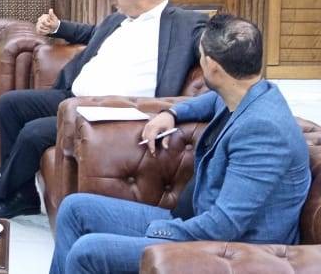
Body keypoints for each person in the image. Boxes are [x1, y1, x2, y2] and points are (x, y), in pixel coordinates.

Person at [50, 15, 310, 274]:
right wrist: (172, 114)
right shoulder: (246, 91)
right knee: (74, 209)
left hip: (234, 251)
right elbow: (211, 101)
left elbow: (224, 226)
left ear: (213, 67)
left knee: (87, 252)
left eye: (201, 56)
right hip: (199, 223)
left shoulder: (263, 132)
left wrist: (159, 231)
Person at [0, 0, 207, 218]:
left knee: (33, 133)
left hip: (113, 113)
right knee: (11, 104)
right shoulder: (120, 19)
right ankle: (22, 197)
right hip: (74, 97)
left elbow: (217, 43)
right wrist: (58, 27)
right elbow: (92, 33)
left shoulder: (185, 23)